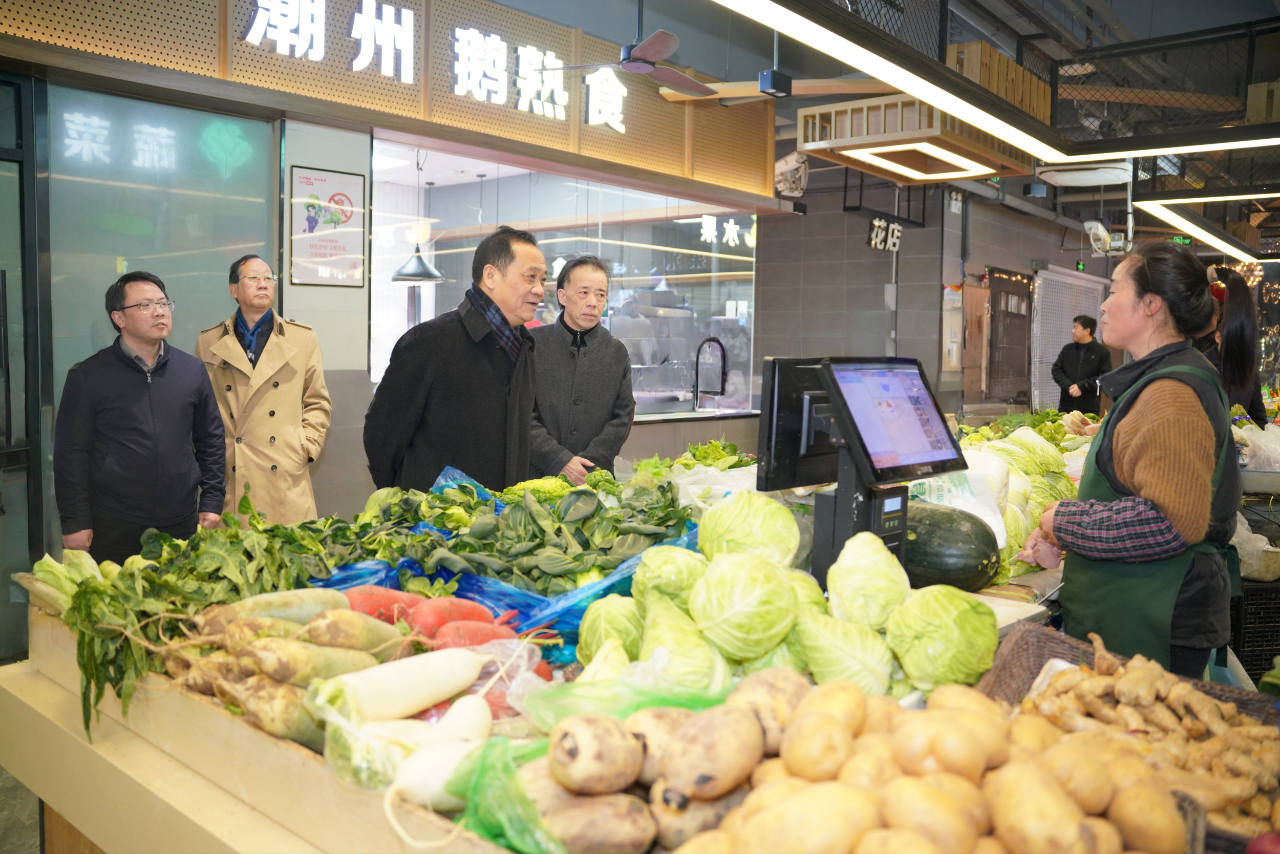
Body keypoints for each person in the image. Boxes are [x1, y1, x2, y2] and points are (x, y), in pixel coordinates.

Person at [1034, 242, 1241, 678]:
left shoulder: (1171, 394)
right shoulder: (1163, 378)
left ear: (1151, 304)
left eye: (1113, 290)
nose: (1103, 305)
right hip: (1140, 609)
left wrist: (1066, 521)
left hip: (1155, 619)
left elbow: (1169, 522)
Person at [54, 272, 225, 564]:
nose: (159, 311)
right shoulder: (88, 375)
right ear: (119, 318)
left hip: (181, 520)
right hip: (114, 523)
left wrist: (212, 500)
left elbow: (211, 439)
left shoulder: (192, 370)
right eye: (146, 305)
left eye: (163, 303)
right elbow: (71, 453)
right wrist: (74, 520)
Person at [364, 226, 545, 491]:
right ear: (491, 276)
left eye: (542, 280)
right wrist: (407, 497)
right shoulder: (430, 341)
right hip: (436, 513)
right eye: (531, 277)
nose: (539, 290)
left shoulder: (524, 348)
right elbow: (383, 435)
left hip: (501, 511)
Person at [196, 255, 332, 524]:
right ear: (234, 289)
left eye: (269, 278)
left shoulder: (302, 338)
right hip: (232, 470)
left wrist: (304, 447)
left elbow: (317, 401)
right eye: (253, 278)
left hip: (284, 468)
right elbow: (201, 408)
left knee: (286, 547)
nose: (263, 284)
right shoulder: (209, 341)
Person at [529, 256, 633, 484]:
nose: (593, 302)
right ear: (562, 296)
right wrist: (559, 461)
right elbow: (523, 414)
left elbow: (622, 418)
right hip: (538, 479)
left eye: (600, 294)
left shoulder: (616, 352)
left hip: (595, 480)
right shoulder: (532, 345)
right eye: (583, 292)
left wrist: (588, 466)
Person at [1202, 268, 1266, 428]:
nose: (1237, 348)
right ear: (1218, 337)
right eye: (1232, 342)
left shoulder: (1248, 368)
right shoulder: (1202, 365)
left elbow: (1258, 417)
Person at [1050, 315, 1111, 414]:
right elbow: (1056, 370)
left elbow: (1105, 377)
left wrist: (1082, 386)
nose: (1072, 331)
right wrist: (1069, 386)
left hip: (1089, 408)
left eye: (1076, 328)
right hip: (1066, 406)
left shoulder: (1102, 352)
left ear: (1087, 331)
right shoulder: (1067, 349)